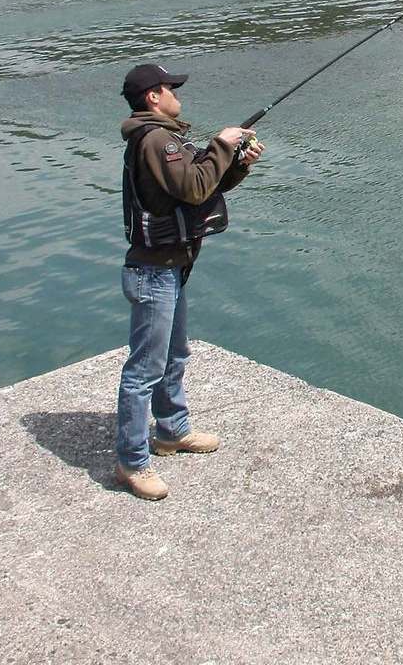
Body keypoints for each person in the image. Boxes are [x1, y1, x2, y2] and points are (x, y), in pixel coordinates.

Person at [115, 63, 265, 501]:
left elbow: (196, 187)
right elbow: (196, 189)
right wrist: (221, 142)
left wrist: (236, 166)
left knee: (175, 354)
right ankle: (132, 462)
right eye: (169, 88)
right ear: (152, 98)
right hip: (153, 271)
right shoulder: (156, 140)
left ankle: (172, 431)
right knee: (144, 370)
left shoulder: (167, 138)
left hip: (171, 267)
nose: (177, 93)